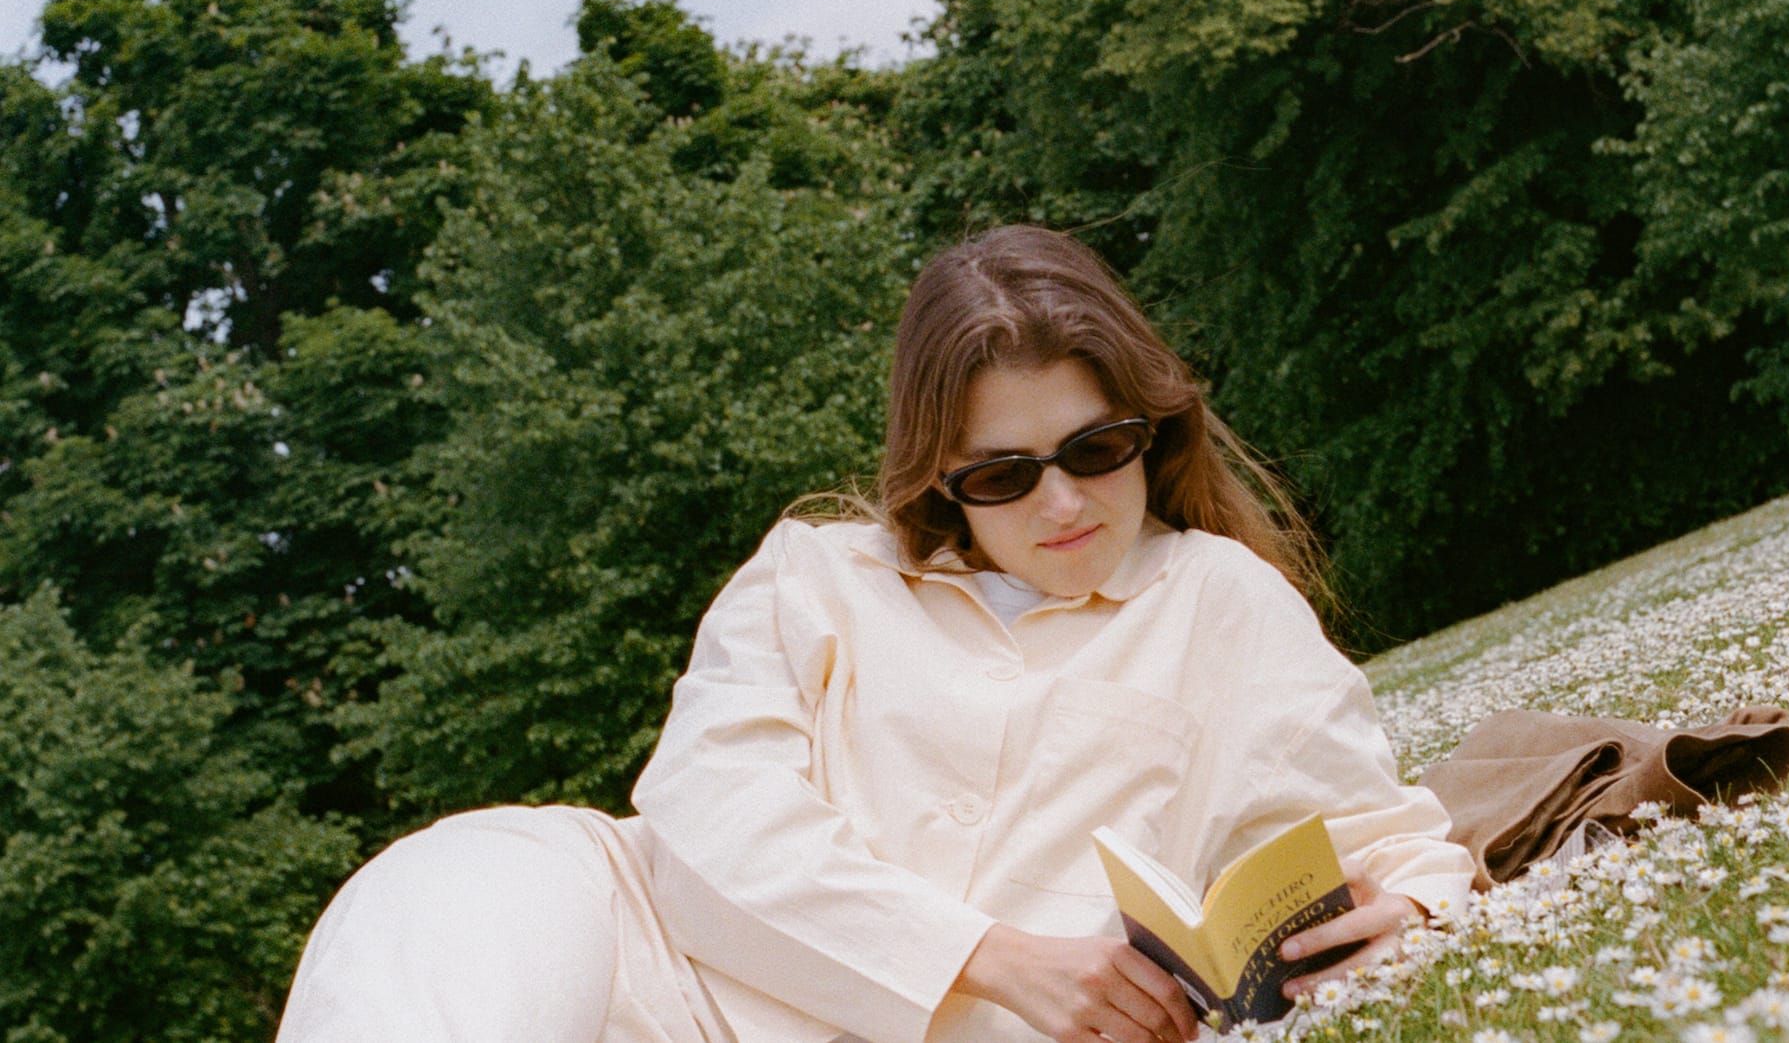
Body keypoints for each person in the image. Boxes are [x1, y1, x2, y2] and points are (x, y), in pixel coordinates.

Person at [276, 225, 1475, 1043]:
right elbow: (704, 817)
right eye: (1003, 474)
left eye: (1096, 449)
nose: (1062, 503)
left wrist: (1407, 913)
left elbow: (1385, 841)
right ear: (939, 473)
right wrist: (991, 957)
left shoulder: (1219, 599)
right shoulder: (814, 572)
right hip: (666, 970)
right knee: (458, 882)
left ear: (1147, 430)